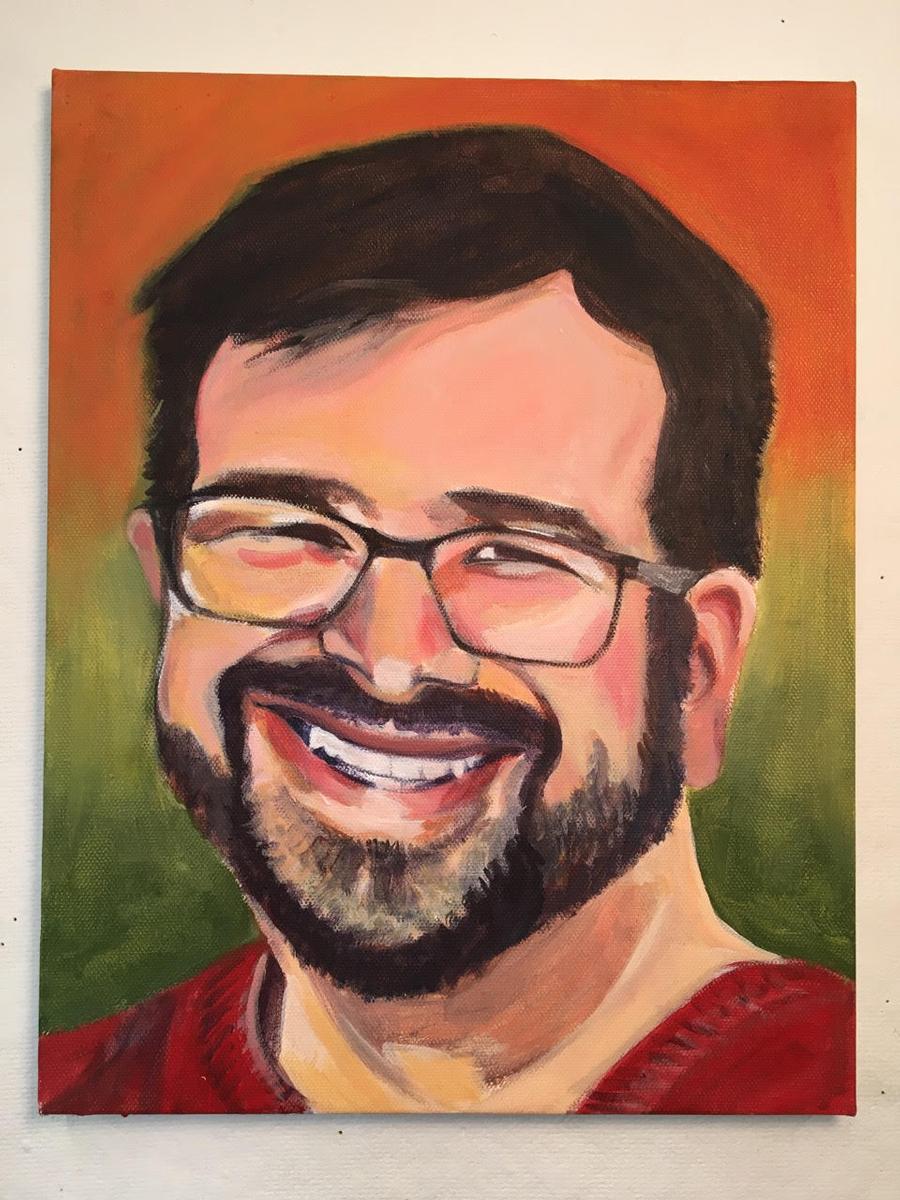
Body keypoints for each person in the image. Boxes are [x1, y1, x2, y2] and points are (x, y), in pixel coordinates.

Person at [39, 126, 854, 1115]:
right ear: (164, 586)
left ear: (698, 668)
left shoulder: (842, 1103)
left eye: (513, 553)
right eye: (286, 529)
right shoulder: (60, 1105)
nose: (389, 657)